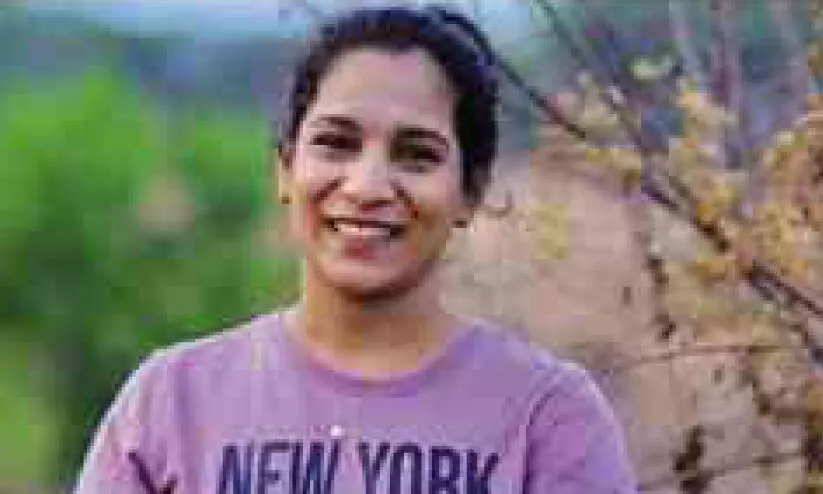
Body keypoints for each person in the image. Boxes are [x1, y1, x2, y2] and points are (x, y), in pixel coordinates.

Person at [74, 5, 638, 493]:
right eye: (336, 143)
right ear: (285, 169)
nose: (367, 187)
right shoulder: (171, 403)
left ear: (470, 191)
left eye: (416, 154)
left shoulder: (546, 417)